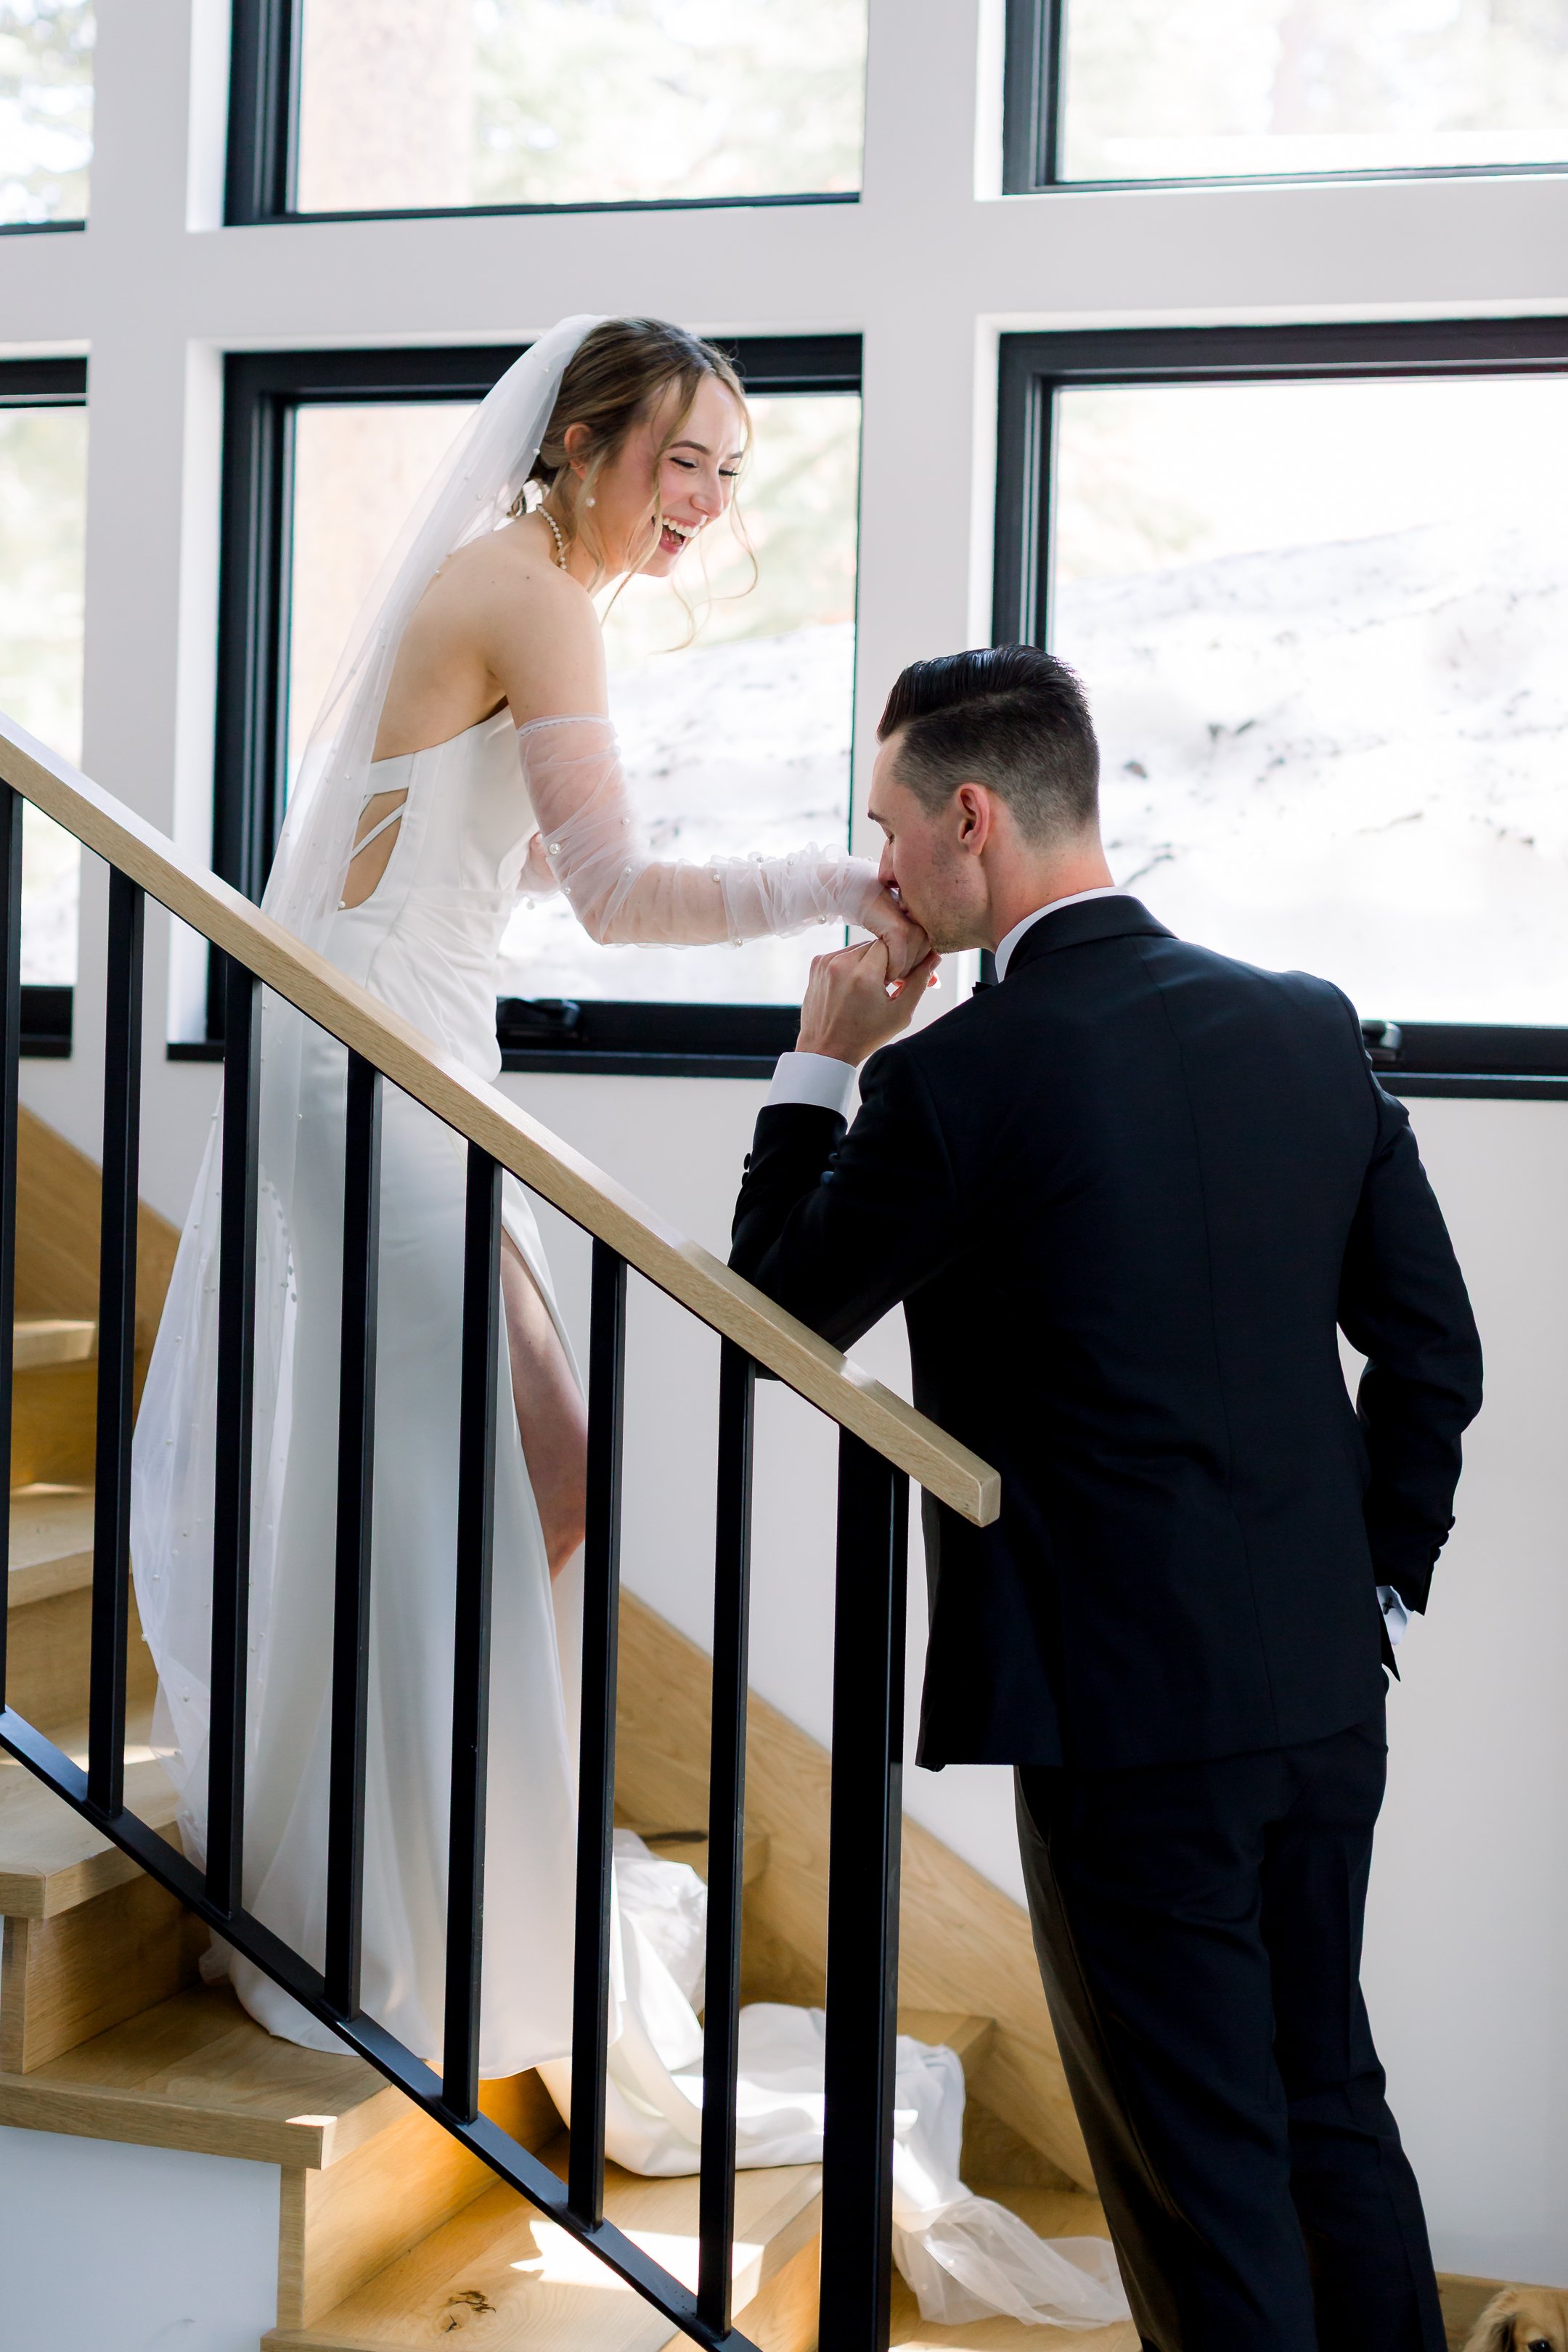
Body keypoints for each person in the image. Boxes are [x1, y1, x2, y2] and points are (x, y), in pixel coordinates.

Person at [130, 324, 1127, 2330]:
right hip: (370, 1060)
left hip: (420, 1054)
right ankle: (382, 1893)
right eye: (686, 460)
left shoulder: (533, 592)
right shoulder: (518, 586)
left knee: (543, 1465)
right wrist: (867, 886)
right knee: (508, 1467)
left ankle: (423, 1842)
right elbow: (608, 889)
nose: (706, 503)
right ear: (586, 443)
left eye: (731, 475)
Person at [729, 643, 1485, 2351]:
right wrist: (1375, 1585)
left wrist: (823, 1061)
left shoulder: (953, 1082)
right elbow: (1436, 1356)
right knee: (1327, 2108)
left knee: (1199, 2172)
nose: (882, 868)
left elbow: (772, 1325)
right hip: (1317, 1692)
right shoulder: (1304, 1021)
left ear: (972, 820)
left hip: (1121, 1722)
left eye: (892, 829)